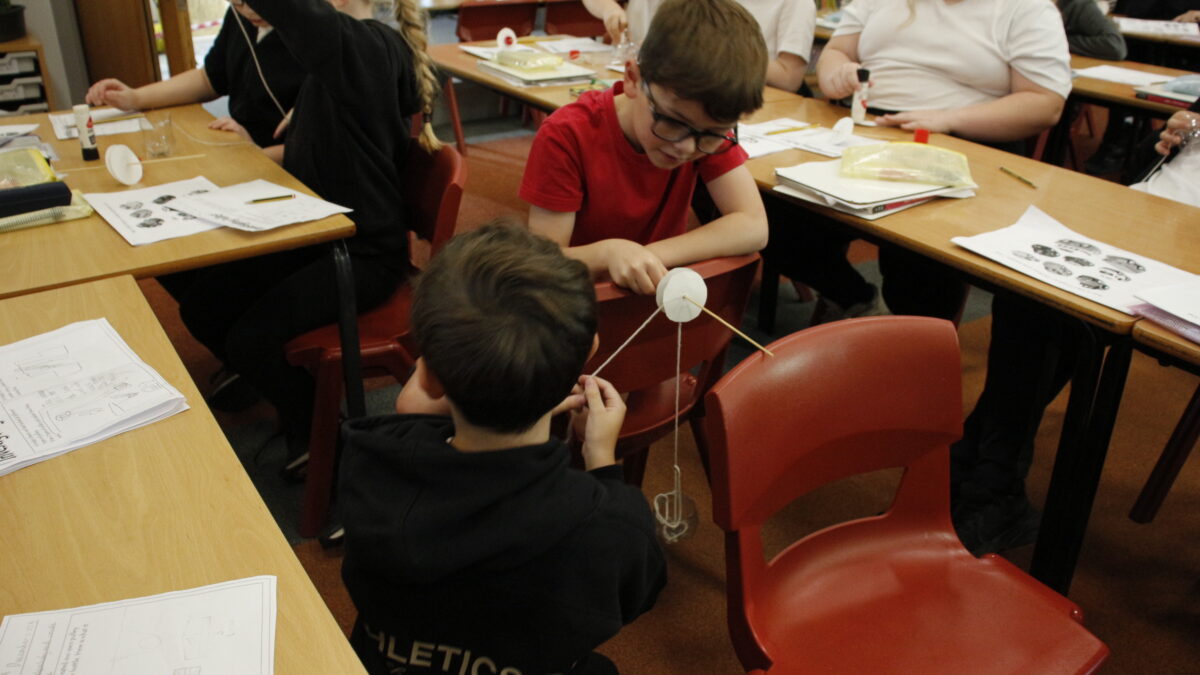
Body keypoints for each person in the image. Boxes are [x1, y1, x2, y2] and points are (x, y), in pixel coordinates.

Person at [339, 223, 667, 675]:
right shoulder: (608, 522)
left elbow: (411, 409)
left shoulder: (368, 464)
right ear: (590, 350)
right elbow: (640, 591)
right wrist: (601, 461)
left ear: (428, 376)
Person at [163, 0, 442, 480]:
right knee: (205, 305)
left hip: (362, 253)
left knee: (250, 339)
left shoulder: (369, 46)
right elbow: (326, 146)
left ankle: (322, 435)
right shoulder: (349, 56)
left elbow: (302, 19)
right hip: (321, 233)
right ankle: (278, 388)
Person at [952, 99, 1200, 556]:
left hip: (1185, 250)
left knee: (1053, 314)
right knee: (1029, 290)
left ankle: (984, 472)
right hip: (1146, 216)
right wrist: (1165, 138)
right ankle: (988, 473)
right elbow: (1152, 167)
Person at [763, 0, 1072, 322]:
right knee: (769, 211)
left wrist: (949, 119)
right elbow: (837, 51)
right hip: (865, 131)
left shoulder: (1026, 9)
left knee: (919, 260)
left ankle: (908, 332)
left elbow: (1045, 103)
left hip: (963, 142)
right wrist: (835, 74)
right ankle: (857, 300)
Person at [522, 0, 769, 296]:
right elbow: (543, 263)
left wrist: (647, 256)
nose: (686, 147)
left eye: (712, 134)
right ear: (632, 79)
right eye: (672, 122)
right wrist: (607, 254)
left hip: (652, 297)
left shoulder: (704, 128)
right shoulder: (567, 134)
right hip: (577, 299)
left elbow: (754, 225)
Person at [85, 1, 303, 164]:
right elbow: (208, 79)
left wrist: (256, 154)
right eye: (237, 3)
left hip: (289, 165)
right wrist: (135, 98)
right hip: (242, 148)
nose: (248, 10)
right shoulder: (240, 19)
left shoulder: (312, 31)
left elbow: (319, 146)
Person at [582, 0, 815, 92]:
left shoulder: (796, 4)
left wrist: (720, 49)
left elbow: (788, 78)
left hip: (750, 98)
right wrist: (610, 10)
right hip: (696, 89)